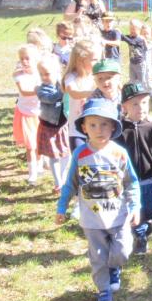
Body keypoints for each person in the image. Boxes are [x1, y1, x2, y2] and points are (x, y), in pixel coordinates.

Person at [56, 97, 140, 301]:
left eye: (104, 124)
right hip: (92, 219)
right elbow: (70, 184)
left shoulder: (119, 153)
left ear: (113, 127)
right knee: (98, 257)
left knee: (122, 251)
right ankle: (104, 292)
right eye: (92, 125)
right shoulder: (80, 154)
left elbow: (131, 182)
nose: (99, 130)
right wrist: (61, 207)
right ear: (84, 128)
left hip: (118, 216)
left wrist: (135, 207)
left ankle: (114, 267)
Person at [118, 82, 152, 255]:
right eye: (135, 104)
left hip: (149, 178)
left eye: (144, 102)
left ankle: (146, 223)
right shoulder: (119, 129)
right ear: (124, 107)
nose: (141, 107)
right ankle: (140, 237)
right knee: (136, 210)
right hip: (129, 181)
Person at [36, 56, 70, 193]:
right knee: (53, 155)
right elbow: (50, 99)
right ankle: (58, 183)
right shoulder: (41, 89)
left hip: (62, 126)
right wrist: (62, 91)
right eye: (41, 74)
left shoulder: (61, 84)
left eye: (47, 73)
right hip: (49, 127)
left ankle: (63, 176)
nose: (44, 77)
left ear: (57, 72)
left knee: (66, 153)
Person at [13, 44, 42, 185]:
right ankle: (32, 173)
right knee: (30, 145)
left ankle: (40, 164)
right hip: (25, 114)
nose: (24, 61)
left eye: (27, 58)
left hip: (40, 114)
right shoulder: (19, 75)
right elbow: (24, 92)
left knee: (40, 142)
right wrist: (41, 91)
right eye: (22, 58)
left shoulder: (41, 74)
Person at [61, 41, 98, 152]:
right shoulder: (71, 77)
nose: (98, 62)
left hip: (95, 129)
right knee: (81, 159)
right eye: (94, 59)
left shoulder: (96, 77)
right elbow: (74, 93)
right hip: (77, 131)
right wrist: (93, 92)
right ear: (81, 60)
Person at [121, 19, 150, 90]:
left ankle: (144, 93)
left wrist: (122, 35)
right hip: (132, 63)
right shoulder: (130, 37)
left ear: (139, 30)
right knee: (132, 80)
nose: (132, 31)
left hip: (140, 64)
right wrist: (117, 33)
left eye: (134, 29)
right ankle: (135, 93)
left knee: (141, 81)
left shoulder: (140, 39)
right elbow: (122, 38)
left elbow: (132, 42)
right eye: (130, 29)